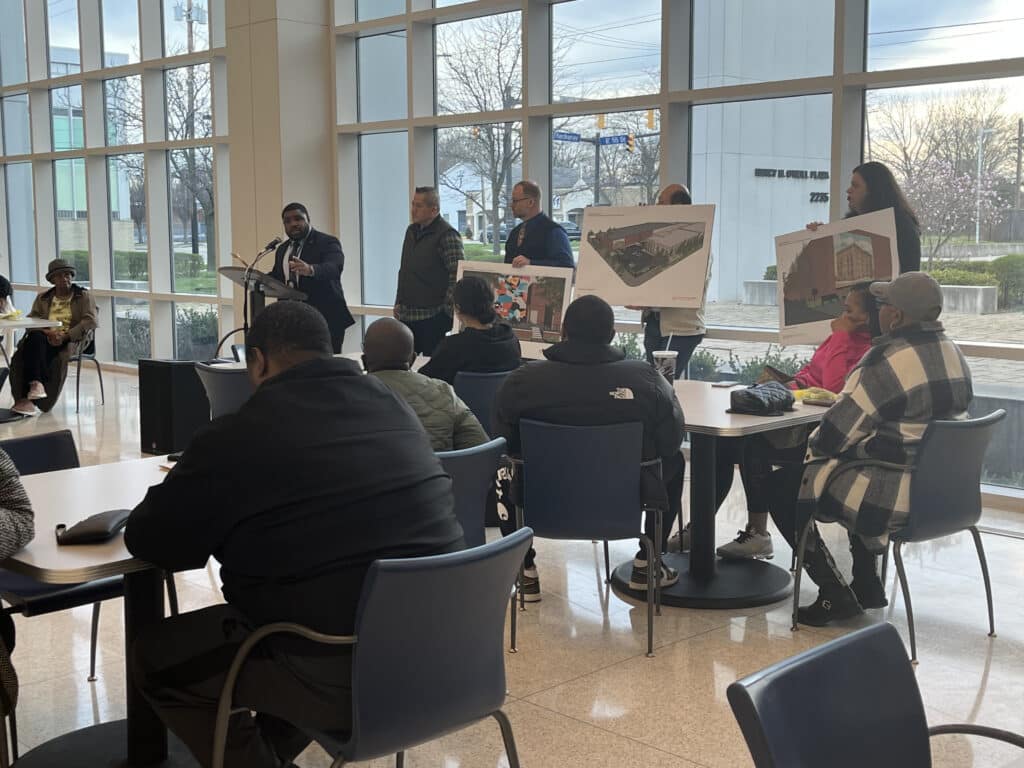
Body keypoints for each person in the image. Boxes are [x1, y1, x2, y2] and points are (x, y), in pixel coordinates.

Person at [125, 301, 464, 768]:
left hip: (336, 667)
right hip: (446, 651)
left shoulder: (240, 434)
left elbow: (155, 543)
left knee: (156, 656)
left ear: (259, 360)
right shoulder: (393, 406)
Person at [768, 272, 972, 626]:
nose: (880, 312)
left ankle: (834, 593)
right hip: (945, 495)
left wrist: (809, 451)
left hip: (892, 495)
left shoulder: (885, 361)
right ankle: (867, 582)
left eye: (885, 305)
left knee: (786, 486)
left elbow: (833, 434)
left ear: (896, 316)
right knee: (855, 462)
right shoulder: (955, 354)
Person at [495, 295, 686, 599]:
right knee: (674, 463)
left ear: (564, 332)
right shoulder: (645, 380)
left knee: (504, 466)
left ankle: (523, 567)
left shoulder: (522, 382)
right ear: (612, 335)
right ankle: (648, 562)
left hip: (544, 497)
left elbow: (502, 440)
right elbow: (671, 441)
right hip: (622, 500)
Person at [710, 284, 880, 560]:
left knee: (752, 444)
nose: (841, 314)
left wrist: (840, 339)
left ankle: (758, 532)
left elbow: (835, 389)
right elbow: (812, 369)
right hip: (797, 404)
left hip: (817, 430)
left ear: (869, 317)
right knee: (723, 444)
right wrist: (792, 383)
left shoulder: (864, 349)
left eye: (849, 310)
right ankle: (704, 527)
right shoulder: (842, 335)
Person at [363, 317, 489, 452]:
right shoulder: (444, 392)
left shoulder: (346, 398)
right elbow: (482, 449)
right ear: (412, 359)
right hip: (442, 471)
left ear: (364, 361)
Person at [635, 183, 709, 378]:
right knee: (654, 380)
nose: (656, 206)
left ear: (677, 206)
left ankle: (667, 409)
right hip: (654, 322)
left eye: (661, 202)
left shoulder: (697, 241)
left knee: (662, 381)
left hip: (679, 328)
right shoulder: (659, 239)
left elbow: (684, 284)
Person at [10, 259, 98, 416]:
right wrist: (47, 332)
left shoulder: (83, 296)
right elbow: (32, 320)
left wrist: (64, 337)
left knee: (44, 352)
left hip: (72, 339)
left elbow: (91, 320)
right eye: (59, 276)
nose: (64, 279)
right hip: (45, 336)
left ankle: (29, 398)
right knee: (24, 351)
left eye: (67, 275)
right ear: (52, 279)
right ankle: (35, 385)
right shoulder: (43, 298)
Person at [268, 202, 355, 353]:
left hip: (326, 318)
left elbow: (334, 268)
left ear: (308, 219)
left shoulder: (327, 242)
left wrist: (311, 269)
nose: (293, 224)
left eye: (298, 219)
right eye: (287, 221)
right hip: (292, 321)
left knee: (326, 368)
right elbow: (278, 277)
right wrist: (255, 278)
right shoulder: (282, 249)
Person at [809, 161, 921, 274]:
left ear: (874, 191)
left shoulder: (904, 229)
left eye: (855, 186)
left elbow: (908, 279)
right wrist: (819, 238)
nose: (848, 190)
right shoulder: (848, 225)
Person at [394, 186, 464, 356]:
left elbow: (457, 275)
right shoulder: (411, 231)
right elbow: (405, 269)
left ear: (434, 209)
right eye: (413, 204)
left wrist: (446, 312)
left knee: (429, 368)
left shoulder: (447, 235)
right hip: (407, 313)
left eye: (419, 206)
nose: (413, 210)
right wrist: (398, 299)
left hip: (432, 316)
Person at [419, 275, 522, 385]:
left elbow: (424, 382)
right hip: (500, 401)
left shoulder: (453, 346)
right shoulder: (510, 339)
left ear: (457, 307)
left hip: (459, 402)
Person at [504, 180, 575, 269]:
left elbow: (567, 266)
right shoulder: (515, 233)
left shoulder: (553, 231)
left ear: (530, 202)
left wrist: (531, 263)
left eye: (515, 201)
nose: (511, 205)